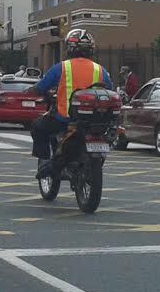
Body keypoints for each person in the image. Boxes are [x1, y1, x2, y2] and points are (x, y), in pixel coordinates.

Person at [31, 29, 115, 179]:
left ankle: (45, 161)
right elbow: (110, 90)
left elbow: (40, 87)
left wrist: (29, 91)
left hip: (65, 120)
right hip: (94, 122)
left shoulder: (62, 67)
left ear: (69, 48)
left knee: (38, 126)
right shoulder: (100, 70)